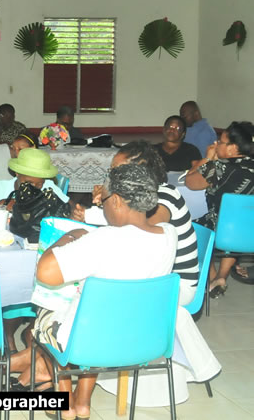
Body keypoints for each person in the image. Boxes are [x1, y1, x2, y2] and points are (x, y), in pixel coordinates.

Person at [30, 164, 177, 419]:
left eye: (104, 201)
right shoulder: (168, 234)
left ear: (117, 201)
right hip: (142, 337)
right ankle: (83, 402)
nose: (102, 206)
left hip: (91, 338)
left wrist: (67, 238)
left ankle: (64, 401)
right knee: (101, 316)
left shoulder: (103, 240)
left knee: (47, 308)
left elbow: (45, 272)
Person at [91, 141, 199, 306]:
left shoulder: (164, 195)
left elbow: (140, 233)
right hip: (154, 275)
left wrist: (108, 202)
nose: (111, 175)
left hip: (175, 284)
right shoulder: (134, 197)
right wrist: (104, 204)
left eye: (117, 170)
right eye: (111, 169)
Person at [186, 121, 254, 296]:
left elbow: (190, 182)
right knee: (236, 222)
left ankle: (212, 276)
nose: (216, 144)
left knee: (193, 227)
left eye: (221, 142)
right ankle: (222, 277)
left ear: (233, 148)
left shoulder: (221, 168)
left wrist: (208, 158)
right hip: (248, 233)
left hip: (222, 231)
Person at [0, 148, 73, 213]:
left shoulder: (48, 187)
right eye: (29, 182)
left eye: (40, 183)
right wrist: (3, 204)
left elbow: (70, 206)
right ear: (17, 173)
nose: (34, 187)